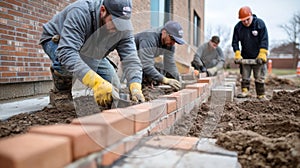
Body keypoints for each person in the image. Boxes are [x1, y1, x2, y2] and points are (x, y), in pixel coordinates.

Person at [40, 0, 145, 110]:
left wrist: (135, 85)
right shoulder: (81, 12)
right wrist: (96, 83)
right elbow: (67, 52)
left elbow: (131, 59)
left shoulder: (124, 29)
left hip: (90, 49)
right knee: (66, 61)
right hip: (58, 41)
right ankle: (61, 93)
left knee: (113, 89)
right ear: (103, 10)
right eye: (115, 23)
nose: (119, 28)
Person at [134, 21, 185, 91]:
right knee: (138, 75)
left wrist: (178, 80)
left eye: (175, 41)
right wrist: (165, 80)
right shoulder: (149, 38)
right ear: (164, 33)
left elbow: (170, 64)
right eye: (172, 39)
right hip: (131, 59)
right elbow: (146, 65)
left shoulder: (170, 44)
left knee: (160, 67)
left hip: (144, 60)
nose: (173, 43)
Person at [232, 6, 269, 100]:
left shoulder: (259, 24)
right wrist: (237, 53)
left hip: (258, 56)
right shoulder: (238, 27)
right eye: (243, 21)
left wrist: (263, 52)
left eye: (247, 20)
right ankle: (245, 91)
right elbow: (235, 42)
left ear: (251, 15)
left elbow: (264, 39)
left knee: (259, 77)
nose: (245, 22)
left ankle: (260, 94)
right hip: (245, 56)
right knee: (245, 76)